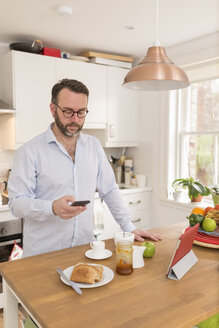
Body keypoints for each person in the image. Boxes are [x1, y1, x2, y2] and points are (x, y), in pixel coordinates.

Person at [8, 78, 161, 257]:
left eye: (81, 112)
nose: (75, 119)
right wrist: (52, 207)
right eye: (68, 111)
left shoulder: (93, 146)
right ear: (53, 109)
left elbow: (109, 190)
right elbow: (16, 204)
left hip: (84, 249)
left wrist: (129, 227)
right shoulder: (29, 152)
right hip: (43, 254)